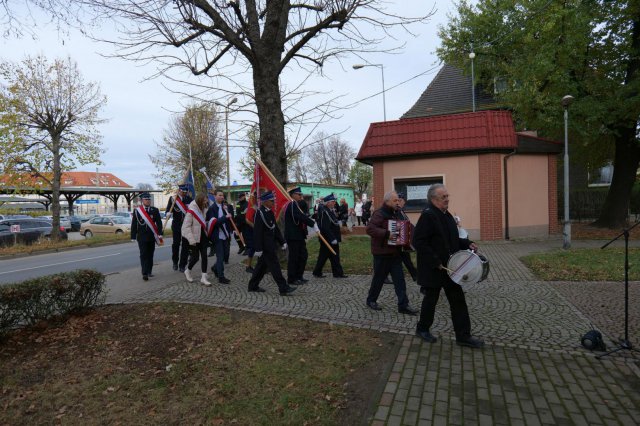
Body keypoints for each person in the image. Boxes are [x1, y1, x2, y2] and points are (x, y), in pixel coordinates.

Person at [412, 183, 484, 348]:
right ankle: (422, 329)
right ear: (433, 199)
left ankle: (463, 336)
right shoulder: (428, 215)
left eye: (447, 196)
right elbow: (418, 242)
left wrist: (467, 243)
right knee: (430, 301)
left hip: (451, 268)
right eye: (443, 197)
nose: (447, 199)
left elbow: (452, 240)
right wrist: (435, 261)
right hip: (435, 269)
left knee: (458, 301)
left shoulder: (447, 215)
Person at [365, 191, 419, 315]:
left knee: (400, 280)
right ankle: (371, 300)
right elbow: (370, 229)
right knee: (378, 279)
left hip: (395, 253)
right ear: (387, 201)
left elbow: (405, 227)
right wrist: (387, 233)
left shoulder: (397, 213)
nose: (397, 202)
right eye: (395, 201)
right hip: (381, 253)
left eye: (398, 200)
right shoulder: (379, 213)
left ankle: (403, 305)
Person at [247, 191, 297, 296]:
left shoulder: (269, 212)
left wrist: (282, 241)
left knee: (261, 267)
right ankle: (283, 287)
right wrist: (258, 248)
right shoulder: (259, 213)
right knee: (275, 267)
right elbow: (257, 232)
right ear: (265, 201)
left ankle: (252, 286)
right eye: (271, 201)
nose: (273, 202)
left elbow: (275, 229)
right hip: (265, 247)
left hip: (271, 244)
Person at [284, 187, 319, 285]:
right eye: (299, 194)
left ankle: (299, 276)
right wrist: (312, 223)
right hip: (293, 236)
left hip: (299, 235)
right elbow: (299, 216)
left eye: (301, 194)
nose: (301, 196)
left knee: (303, 256)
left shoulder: (296, 204)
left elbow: (302, 216)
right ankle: (292, 278)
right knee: (294, 258)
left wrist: (311, 222)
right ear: (293, 195)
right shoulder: (291, 204)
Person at [312, 193, 348, 278]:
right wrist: (332, 238)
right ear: (328, 202)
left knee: (327, 256)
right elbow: (325, 227)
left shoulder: (329, 210)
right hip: (328, 239)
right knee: (331, 255)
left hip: (330, 238)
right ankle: (337, 273)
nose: (334, 203)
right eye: (332, 201)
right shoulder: (325, 211)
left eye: (334, 201)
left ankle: (319, 272)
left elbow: (333, 222)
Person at [131, 192, 163, 281]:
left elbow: (159, 223)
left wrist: (160, 233)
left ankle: (149, 271)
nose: (148, 201)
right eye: (146, 199)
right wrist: (133, 236)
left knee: (150, 254)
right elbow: (134, 224)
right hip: (141, 237)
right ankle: (144, 273)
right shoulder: (137, 211)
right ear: (142, 201)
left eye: (149, 199)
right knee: (143, 254)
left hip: (152, 236)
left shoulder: (154, 210)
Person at [181, 193, 212, 285]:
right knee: (195, 258)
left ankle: (203, 277)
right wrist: (191, 240)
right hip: (194, 238)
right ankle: (188, 270)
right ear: (200, 201)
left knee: (204, 256)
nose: (206, 202)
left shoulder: (204, 209)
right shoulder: (191, 211)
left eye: (206, 200)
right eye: (204, 201)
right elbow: (185, 227)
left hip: (203, 237)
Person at [206, 190, 232, 284]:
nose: (222, 197)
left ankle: (215, 267)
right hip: (217, 236)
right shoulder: (212, 208)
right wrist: (226, 217)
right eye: (220, 195)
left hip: (225, 235)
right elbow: (214, 223)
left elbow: (228, 220)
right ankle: (221, 277)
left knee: (225, 255)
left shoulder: (225, 207)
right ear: (215, 196)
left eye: (223, 195)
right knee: (220, 257)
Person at [165, 184, 193, 272]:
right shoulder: (173, 199)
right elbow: (168, 210)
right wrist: (167, 214)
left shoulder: (189, 199)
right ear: (179, 190)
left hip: (186, 225)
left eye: (185, 192)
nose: (184, 193)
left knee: (185, 245)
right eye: (183, 192)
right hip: (177, 225)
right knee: (176, 244)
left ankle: (182, 265)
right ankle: (175, 262)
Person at [397, 192, 418, 282]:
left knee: (406, 260)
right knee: (404, 260)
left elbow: (407, 223)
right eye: (403, 202)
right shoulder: (398, 211)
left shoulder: (401, 211)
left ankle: (415, 276)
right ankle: (415, 276)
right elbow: (400, 224)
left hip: (403, 241)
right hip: (400, 240)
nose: (404, 203)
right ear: (400, 200)